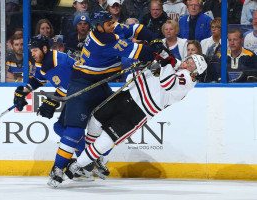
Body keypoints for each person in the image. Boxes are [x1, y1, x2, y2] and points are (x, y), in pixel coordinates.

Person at [49, 10, 171, 187]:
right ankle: (57, 169)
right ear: (98, 26)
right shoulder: (102, 42)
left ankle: (93, 159)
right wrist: (156, 51)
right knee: (75, 131)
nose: (113, 25)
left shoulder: (109, 29)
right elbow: (142, 52)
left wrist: (155, 40)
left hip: (100, 85)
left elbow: (137, 28)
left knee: (111, 125)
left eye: (112, 22)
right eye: (108, 24)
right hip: (82, 85)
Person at [65, 54, 208, 180]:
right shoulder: (175, 64)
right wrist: (156, 59)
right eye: (190, 59)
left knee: (106, 140)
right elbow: (150, 66)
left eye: (193, 65)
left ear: (195, 73)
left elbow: (167, 83)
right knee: (95, 120)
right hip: (127, 96)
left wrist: (166, 63)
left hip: (138, 112)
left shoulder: (187, 81)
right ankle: (89, 161)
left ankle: (78, 165)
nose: (188, 63)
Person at [12, 35, 82, 187]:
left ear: (44, 49)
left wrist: (52, 101)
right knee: (60, 128)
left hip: (83, 96)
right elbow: (38, 80)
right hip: (76, 97)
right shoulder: (42, 61)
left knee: (63, 128)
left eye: (35, 50)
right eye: (32, 50)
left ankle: (86, 161)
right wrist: (23, 92)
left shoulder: (59, 62)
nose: (33, 53)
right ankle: (86, 160)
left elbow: (69, 88)